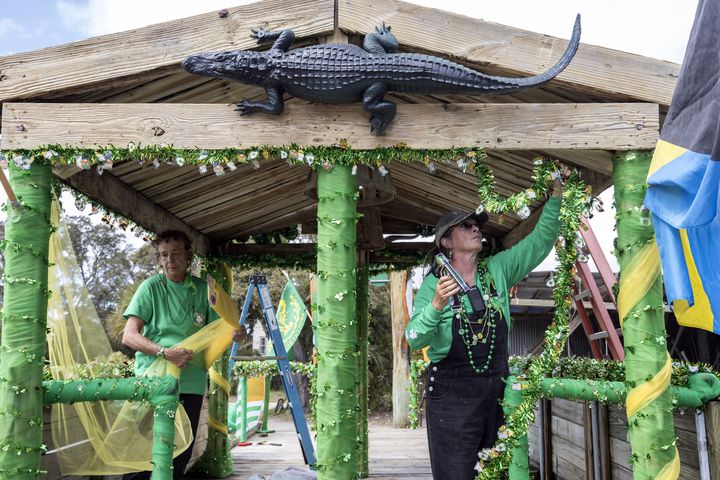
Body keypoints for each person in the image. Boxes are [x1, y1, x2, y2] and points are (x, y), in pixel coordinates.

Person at [406, 174, 565, 479]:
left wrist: (556, 194)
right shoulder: (432, 286)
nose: (476, 227)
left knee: (497, 471)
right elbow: (413, 339)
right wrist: (437, 304)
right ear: (447, 242)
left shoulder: (497, 270)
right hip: (451, 396)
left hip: (495, 391)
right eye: (465, 226)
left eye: (476, 224)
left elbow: (540, 242)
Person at [121, 229, 245, 480]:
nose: (170, 260)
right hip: (153, 380)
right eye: (164, 255)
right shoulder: (150, 288)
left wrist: (236, 333)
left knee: (181, 454)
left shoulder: (202, 289)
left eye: (176, 253)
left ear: (188, 257)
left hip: (191, 382)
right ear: (158, 259)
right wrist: (165, 352)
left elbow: (220, 328)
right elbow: (129, 336)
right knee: (147, 454)